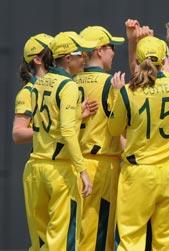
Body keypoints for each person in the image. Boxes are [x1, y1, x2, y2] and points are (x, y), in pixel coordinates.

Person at [109, 36, 169, 251]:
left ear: (139, 60)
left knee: (131, 241)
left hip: (139, 174)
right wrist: (167, 75)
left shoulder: (128, 92)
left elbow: (114, 130)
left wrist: (117, 94)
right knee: (168, 243)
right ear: (165, 60)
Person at [23, 31, 96, 250]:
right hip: (59, 173)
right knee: (62, 241)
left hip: (35, 169)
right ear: (67, 59)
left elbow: (48, 122)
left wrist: (76, 115)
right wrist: (82, 171)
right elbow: (65, 131)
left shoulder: (39, 83)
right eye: (80, 54)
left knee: (41, 242)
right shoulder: (69, 86)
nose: (85, 58)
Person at [74, 25, 124, 251]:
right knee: (99, 237)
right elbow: (122, 128)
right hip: (103, 166)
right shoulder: (110, 84)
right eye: (111, 47)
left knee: (78, 233)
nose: (114, 53)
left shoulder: (71, 82)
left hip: (75, 165)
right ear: (99, 50)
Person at [12, 33, 53, 144]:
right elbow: (17, 134)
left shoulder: (64, 85)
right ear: (37, 60)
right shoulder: (27, 92)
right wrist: (53, 130)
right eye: (53, 52)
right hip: (43, 160)